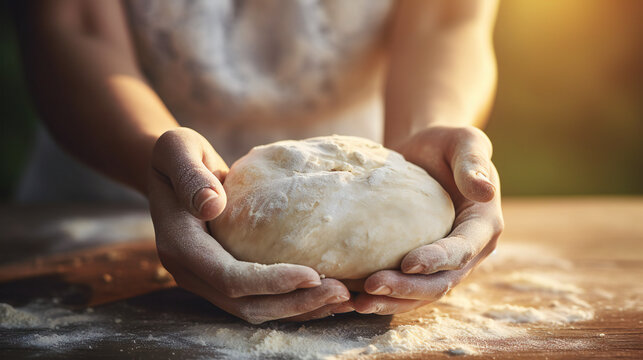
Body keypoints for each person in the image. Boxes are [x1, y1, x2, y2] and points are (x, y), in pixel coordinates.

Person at [15, 0, 503, 324]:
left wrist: (426, 136)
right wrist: (153, 155)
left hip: (382, 159)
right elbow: (74, 22)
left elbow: (447, 18)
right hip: (104, 195)